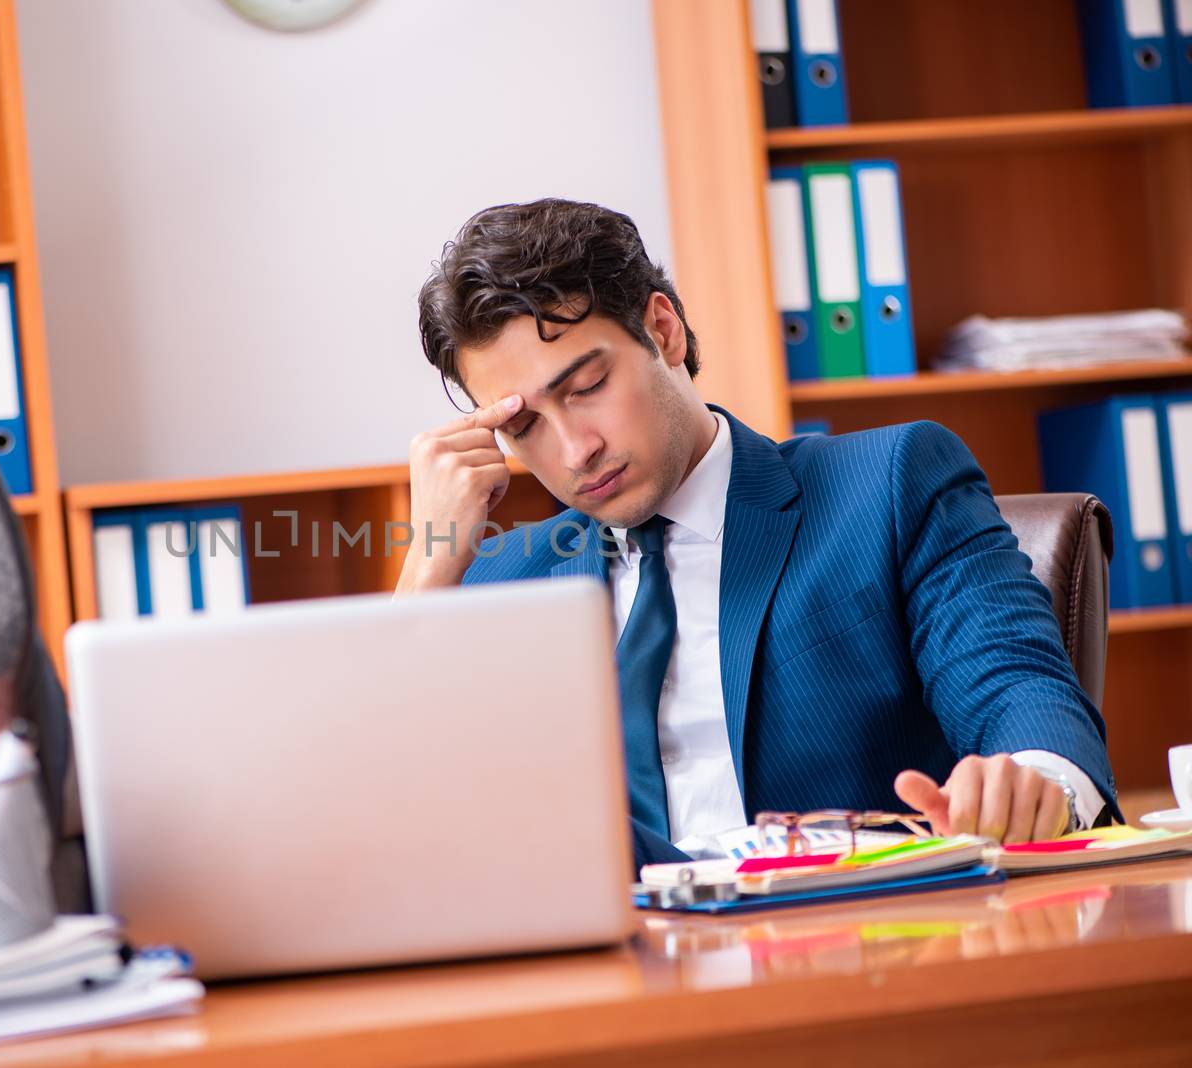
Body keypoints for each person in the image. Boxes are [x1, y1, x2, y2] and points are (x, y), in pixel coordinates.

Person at [401, 198, 1118, 868]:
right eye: (522, 426)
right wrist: (423, 576)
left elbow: (1015, 686)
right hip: (609, 974)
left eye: (586, 387)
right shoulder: (499, 580)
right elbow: (394, 825)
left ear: (662, 330)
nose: (574, 450)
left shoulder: (889, 484)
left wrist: (1033, 784)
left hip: (846, 948)